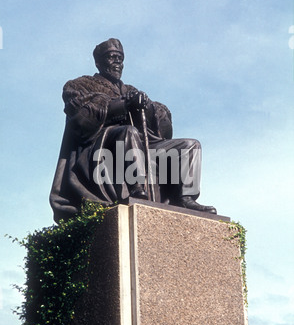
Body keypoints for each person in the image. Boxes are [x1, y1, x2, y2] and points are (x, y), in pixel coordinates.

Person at [50, 38, 216, 222]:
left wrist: (149, 108)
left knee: (189, 145)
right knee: (128, 131)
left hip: (139, 149)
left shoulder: (130, 89)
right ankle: (137, 188)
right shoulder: (79, 85)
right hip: (101, 150)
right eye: (112, 57)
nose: (117, 63)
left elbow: (163, 128)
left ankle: (186, 197)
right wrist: (122, 105)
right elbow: (82, 120)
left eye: (120, 59)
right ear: (98, 62)